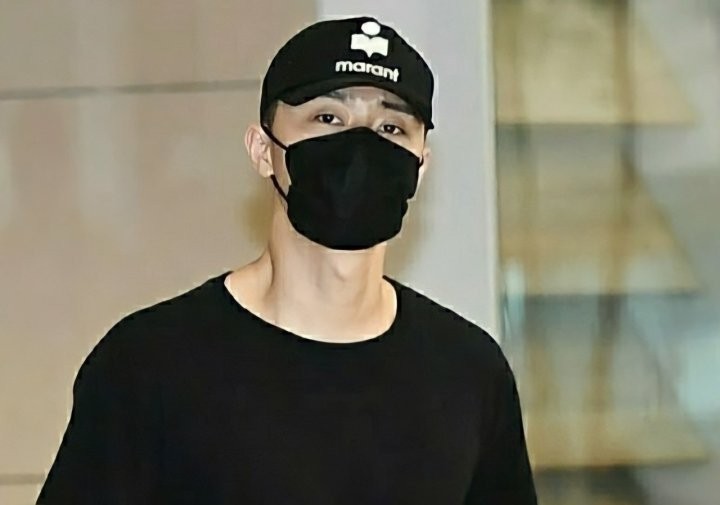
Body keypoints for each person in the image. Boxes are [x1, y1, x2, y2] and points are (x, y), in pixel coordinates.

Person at [37, 16, 537, 505]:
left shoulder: (470, 375)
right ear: (262, 150)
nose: (360, 144)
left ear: (420, 165)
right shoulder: (147, 367)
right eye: (328, 118)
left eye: (391, 127)